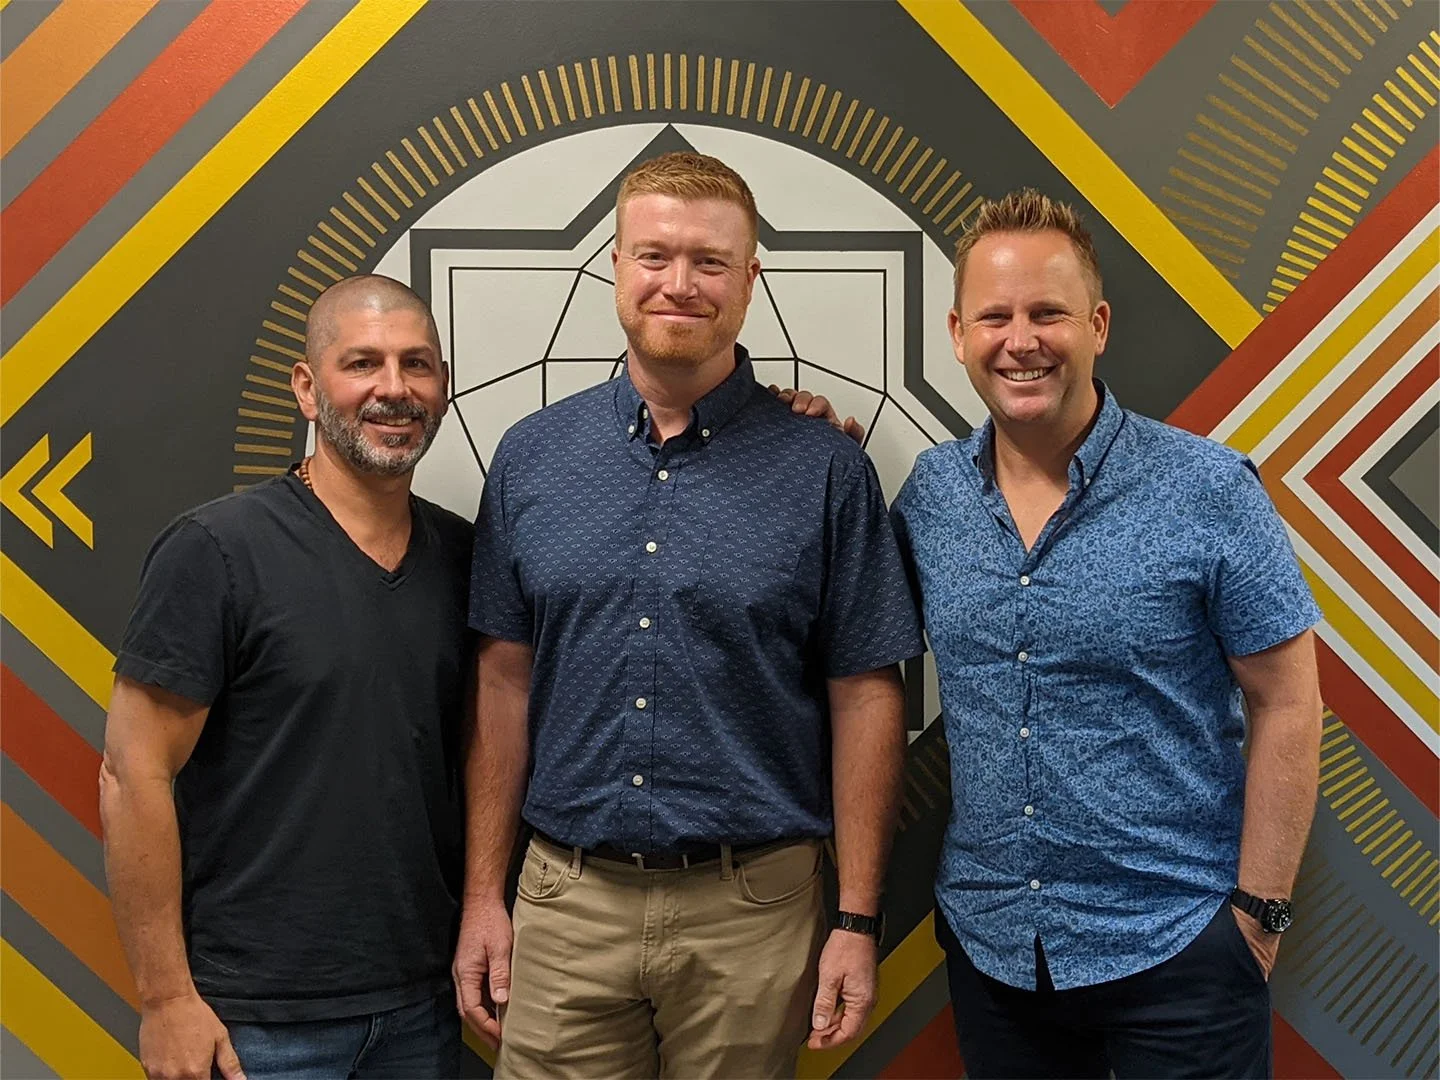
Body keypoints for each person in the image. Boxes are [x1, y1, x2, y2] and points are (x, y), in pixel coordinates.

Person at [454, 151, 925, 1079]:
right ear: (615, 267)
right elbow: (503, 681)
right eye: (655, 256)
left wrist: (858, 918)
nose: (680, 283)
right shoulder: (530, 457)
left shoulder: (825, 469)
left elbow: (867, 695)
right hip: (565, 903)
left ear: (750, 278)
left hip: (756, 910)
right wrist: (481, 896)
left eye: (710, 261)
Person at [891, 189, 1323, 1078]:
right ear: (958, 334)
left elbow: (1289, 702)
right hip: (996, 948)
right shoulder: (930, 497)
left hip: (1180, 946)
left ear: (1097, 325)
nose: (1021, 340)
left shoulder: (1209, 489)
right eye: (995, 316)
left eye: (1048, 313)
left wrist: (1260, 915)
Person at [101, 275, 472, 1080]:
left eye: (416, 364)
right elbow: (133, 774)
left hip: (424, 1010)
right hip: (255, 1025)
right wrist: (164, 999)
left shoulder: (465, 556)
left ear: (443, 384)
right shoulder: (216, 550)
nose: (394, 388)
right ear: (307, 387)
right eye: (362, 363)